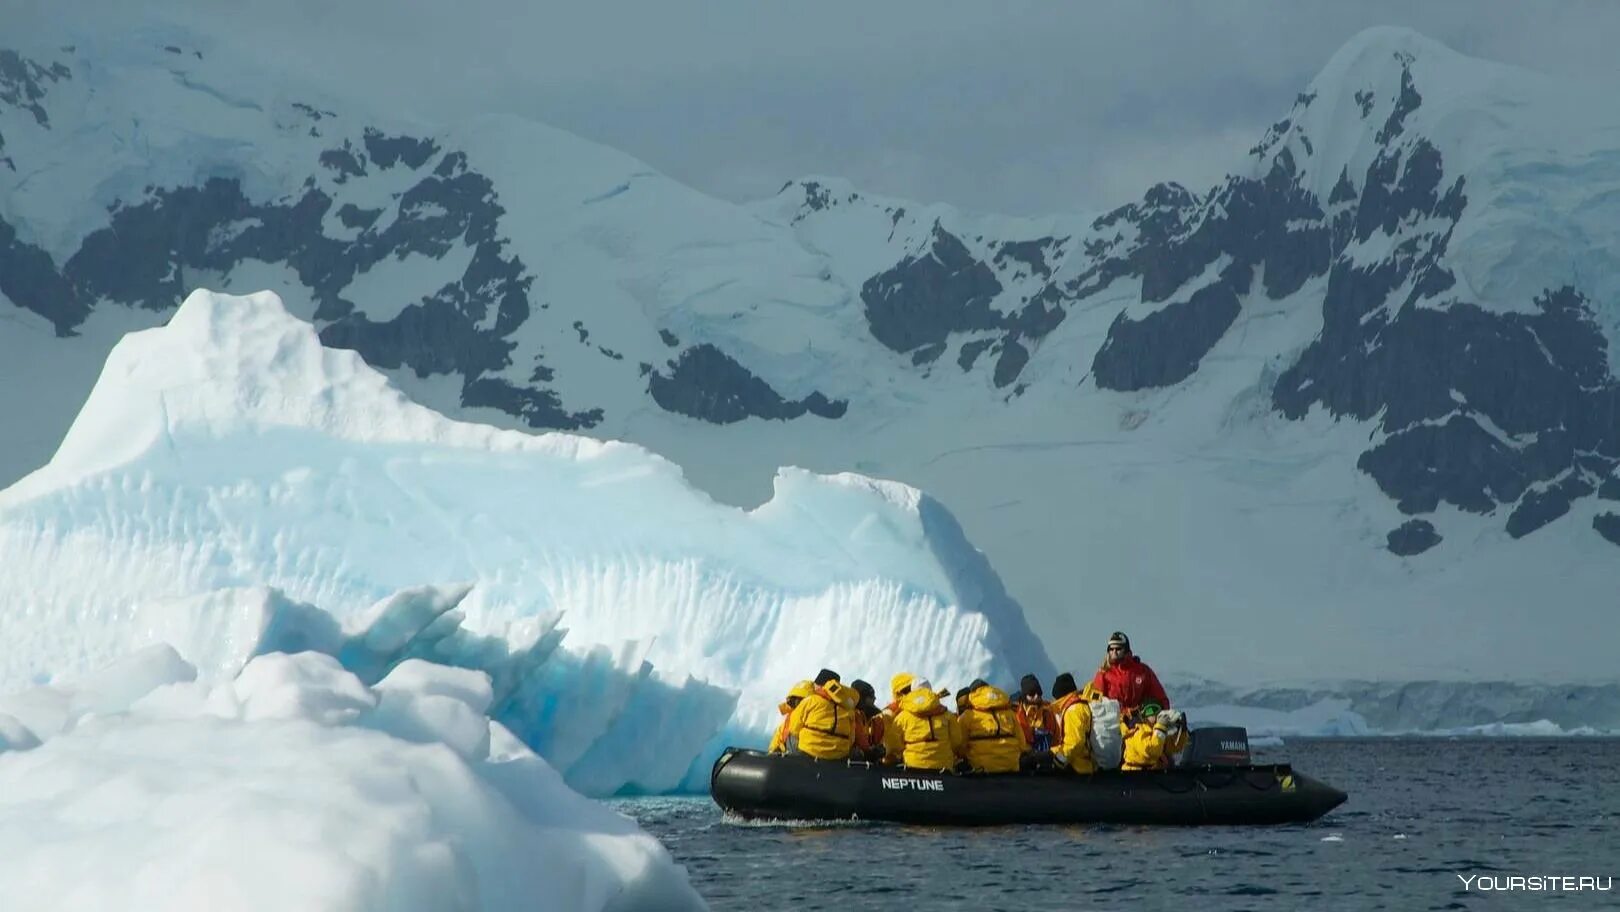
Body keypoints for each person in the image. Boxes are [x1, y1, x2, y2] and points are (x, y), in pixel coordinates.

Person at [882, 678, 965, 772]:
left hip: (913, 767)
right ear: (930, 690)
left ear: (912, 691)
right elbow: (957, 741)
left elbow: (894, 745)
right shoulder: (947, 714)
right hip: (944, 767)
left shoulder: (902, 717)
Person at [1090, 631, 1171, 714]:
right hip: (1113, 721)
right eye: (1111, 649)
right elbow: (1096, 703)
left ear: (1126, 650)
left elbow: (1160, 698)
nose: (1114, 652)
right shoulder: (1103, 673)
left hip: (1140, 720)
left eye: (1118, 649)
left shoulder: (1143, 671)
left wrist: (1164, 714)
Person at [786, 668, 857, 760]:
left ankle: (792, 763)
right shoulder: (849, 709)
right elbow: (852, 739)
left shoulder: (810, 700)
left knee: (790, 735)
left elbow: (794, 727)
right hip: (839, 755)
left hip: (809, 751)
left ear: (819, 686)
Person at [959, 681, 1026, 773]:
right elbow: (1022, 743)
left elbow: (960, 746)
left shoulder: (968, 716)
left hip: (981, 769)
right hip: (1010, 766)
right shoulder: (1010, 713)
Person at [1120, 702, 1188, 771]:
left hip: (1151, 774)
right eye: (1150, 711)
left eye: (1157, 711)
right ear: (1142, 715)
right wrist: (1160, 727)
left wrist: (1182, 731)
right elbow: (1151, 750)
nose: (1154, 714)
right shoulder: (1136, 731)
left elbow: (1173, 746)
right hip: (1133, 775)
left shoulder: (1155, 731)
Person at [1049, 676, 1096, 774]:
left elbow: (1075, 743)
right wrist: (1052, 751)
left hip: (1079, 768)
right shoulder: (1083, 704)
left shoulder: (1072, 710)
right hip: (1089, 764)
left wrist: (1059, 760)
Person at [767, 680, 815, 753]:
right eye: (794, 701)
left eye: (801, 701)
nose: (798, 705)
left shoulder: (817, 719)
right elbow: (776, 742)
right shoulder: (785, 725)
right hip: (788, 758)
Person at [1014, 673, 1058, 753]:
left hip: (1046, 759)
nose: (1036, 696)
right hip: (1024, 759)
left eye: (1039, 693)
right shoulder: (1016, 714)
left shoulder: (1048, 713)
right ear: (1024, 696)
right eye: (1031, 694)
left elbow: (1056, 739)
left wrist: (1051, 755)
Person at [849, 679, 885, 761]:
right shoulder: (852, 715)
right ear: (861, 698)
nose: (875, 698)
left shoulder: (876, 719)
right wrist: (867, 752)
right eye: (871, 695)